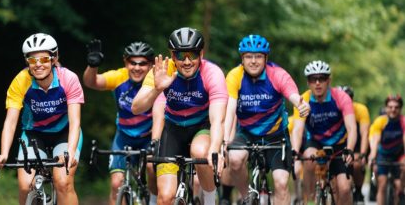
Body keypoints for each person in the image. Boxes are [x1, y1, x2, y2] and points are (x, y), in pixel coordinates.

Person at [131, 27, 228, 205]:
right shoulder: (162, 71)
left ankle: (209, 200)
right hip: (173, 129)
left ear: (201, 54)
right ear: (172, 55)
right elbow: (136, 108)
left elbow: (218, 120)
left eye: (192, 54)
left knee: (199, 152)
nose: (187, 61)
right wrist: (157, 89)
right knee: (166, 198)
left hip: (201, 127)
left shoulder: (212, 74)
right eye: (180, 55)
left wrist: (215, 149)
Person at [0, 33, 84, 205]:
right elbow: (10, 122)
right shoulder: (21, 81)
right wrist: (3, 153)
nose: (38, 64)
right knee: (26, 186)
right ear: (27, 62)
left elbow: (75, 121)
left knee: (63, 182)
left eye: (44, 59)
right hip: (34, 134)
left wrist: (70, 152)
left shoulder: (68, 79)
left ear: (54, 59)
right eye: (33, 60)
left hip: (64, 132)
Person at [222, 34, 310, 204]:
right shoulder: (235, 76)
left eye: (258, 56)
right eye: (248, 56)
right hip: (246, 133)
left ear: (266, 58)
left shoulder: (277, 74)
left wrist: (301, 105)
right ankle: (245, 195)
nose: (253, 61)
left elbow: (293, 95)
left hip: (275, 135)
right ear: (242, 59)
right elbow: (230, 109)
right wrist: (225, 141)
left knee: (281, 182)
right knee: (234, 159)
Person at [83, 39, 157, 205]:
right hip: (123, 137)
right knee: (117, 184)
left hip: (149, 137)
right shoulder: (119, 77)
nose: (137, 68)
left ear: (151, 65)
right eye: (132, 62)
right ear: (125, 62)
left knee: (152, 170)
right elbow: (91, 82)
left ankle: (153, 200)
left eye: (143, 63)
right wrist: (92, 65)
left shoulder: (155, 80)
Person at [291, 60, 357, 205]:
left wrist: (350, 149)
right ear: (308, 82)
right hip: (315, 141)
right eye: (313, 79)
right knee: (308, 158)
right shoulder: (303, 100)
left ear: (329, 80)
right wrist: (295, 151)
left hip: (339, 144)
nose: (318, 83)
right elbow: (297, 129)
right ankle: (309, 201)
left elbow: (352, 128)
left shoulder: (341, 97)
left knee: (344, 189)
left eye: (322, 78)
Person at [368, 94, 405, 205]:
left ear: (400, 109)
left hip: (398, 154)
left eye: (396, 107)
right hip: (383, 155)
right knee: (382, 184)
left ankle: (401, 193)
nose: (393, 110)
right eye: (390, 107)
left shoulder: (403, 121)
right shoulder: (380, 121)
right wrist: (372, 157)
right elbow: (375, 141)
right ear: (386, 108)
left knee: (399, 185)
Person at [337, 85, 370, 203]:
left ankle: (358, 190)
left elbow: (364, 133)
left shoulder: (361, 109)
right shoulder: (334, 110)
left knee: (356, 164)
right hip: (339, 142)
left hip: (358, 142)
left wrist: (362, 154)